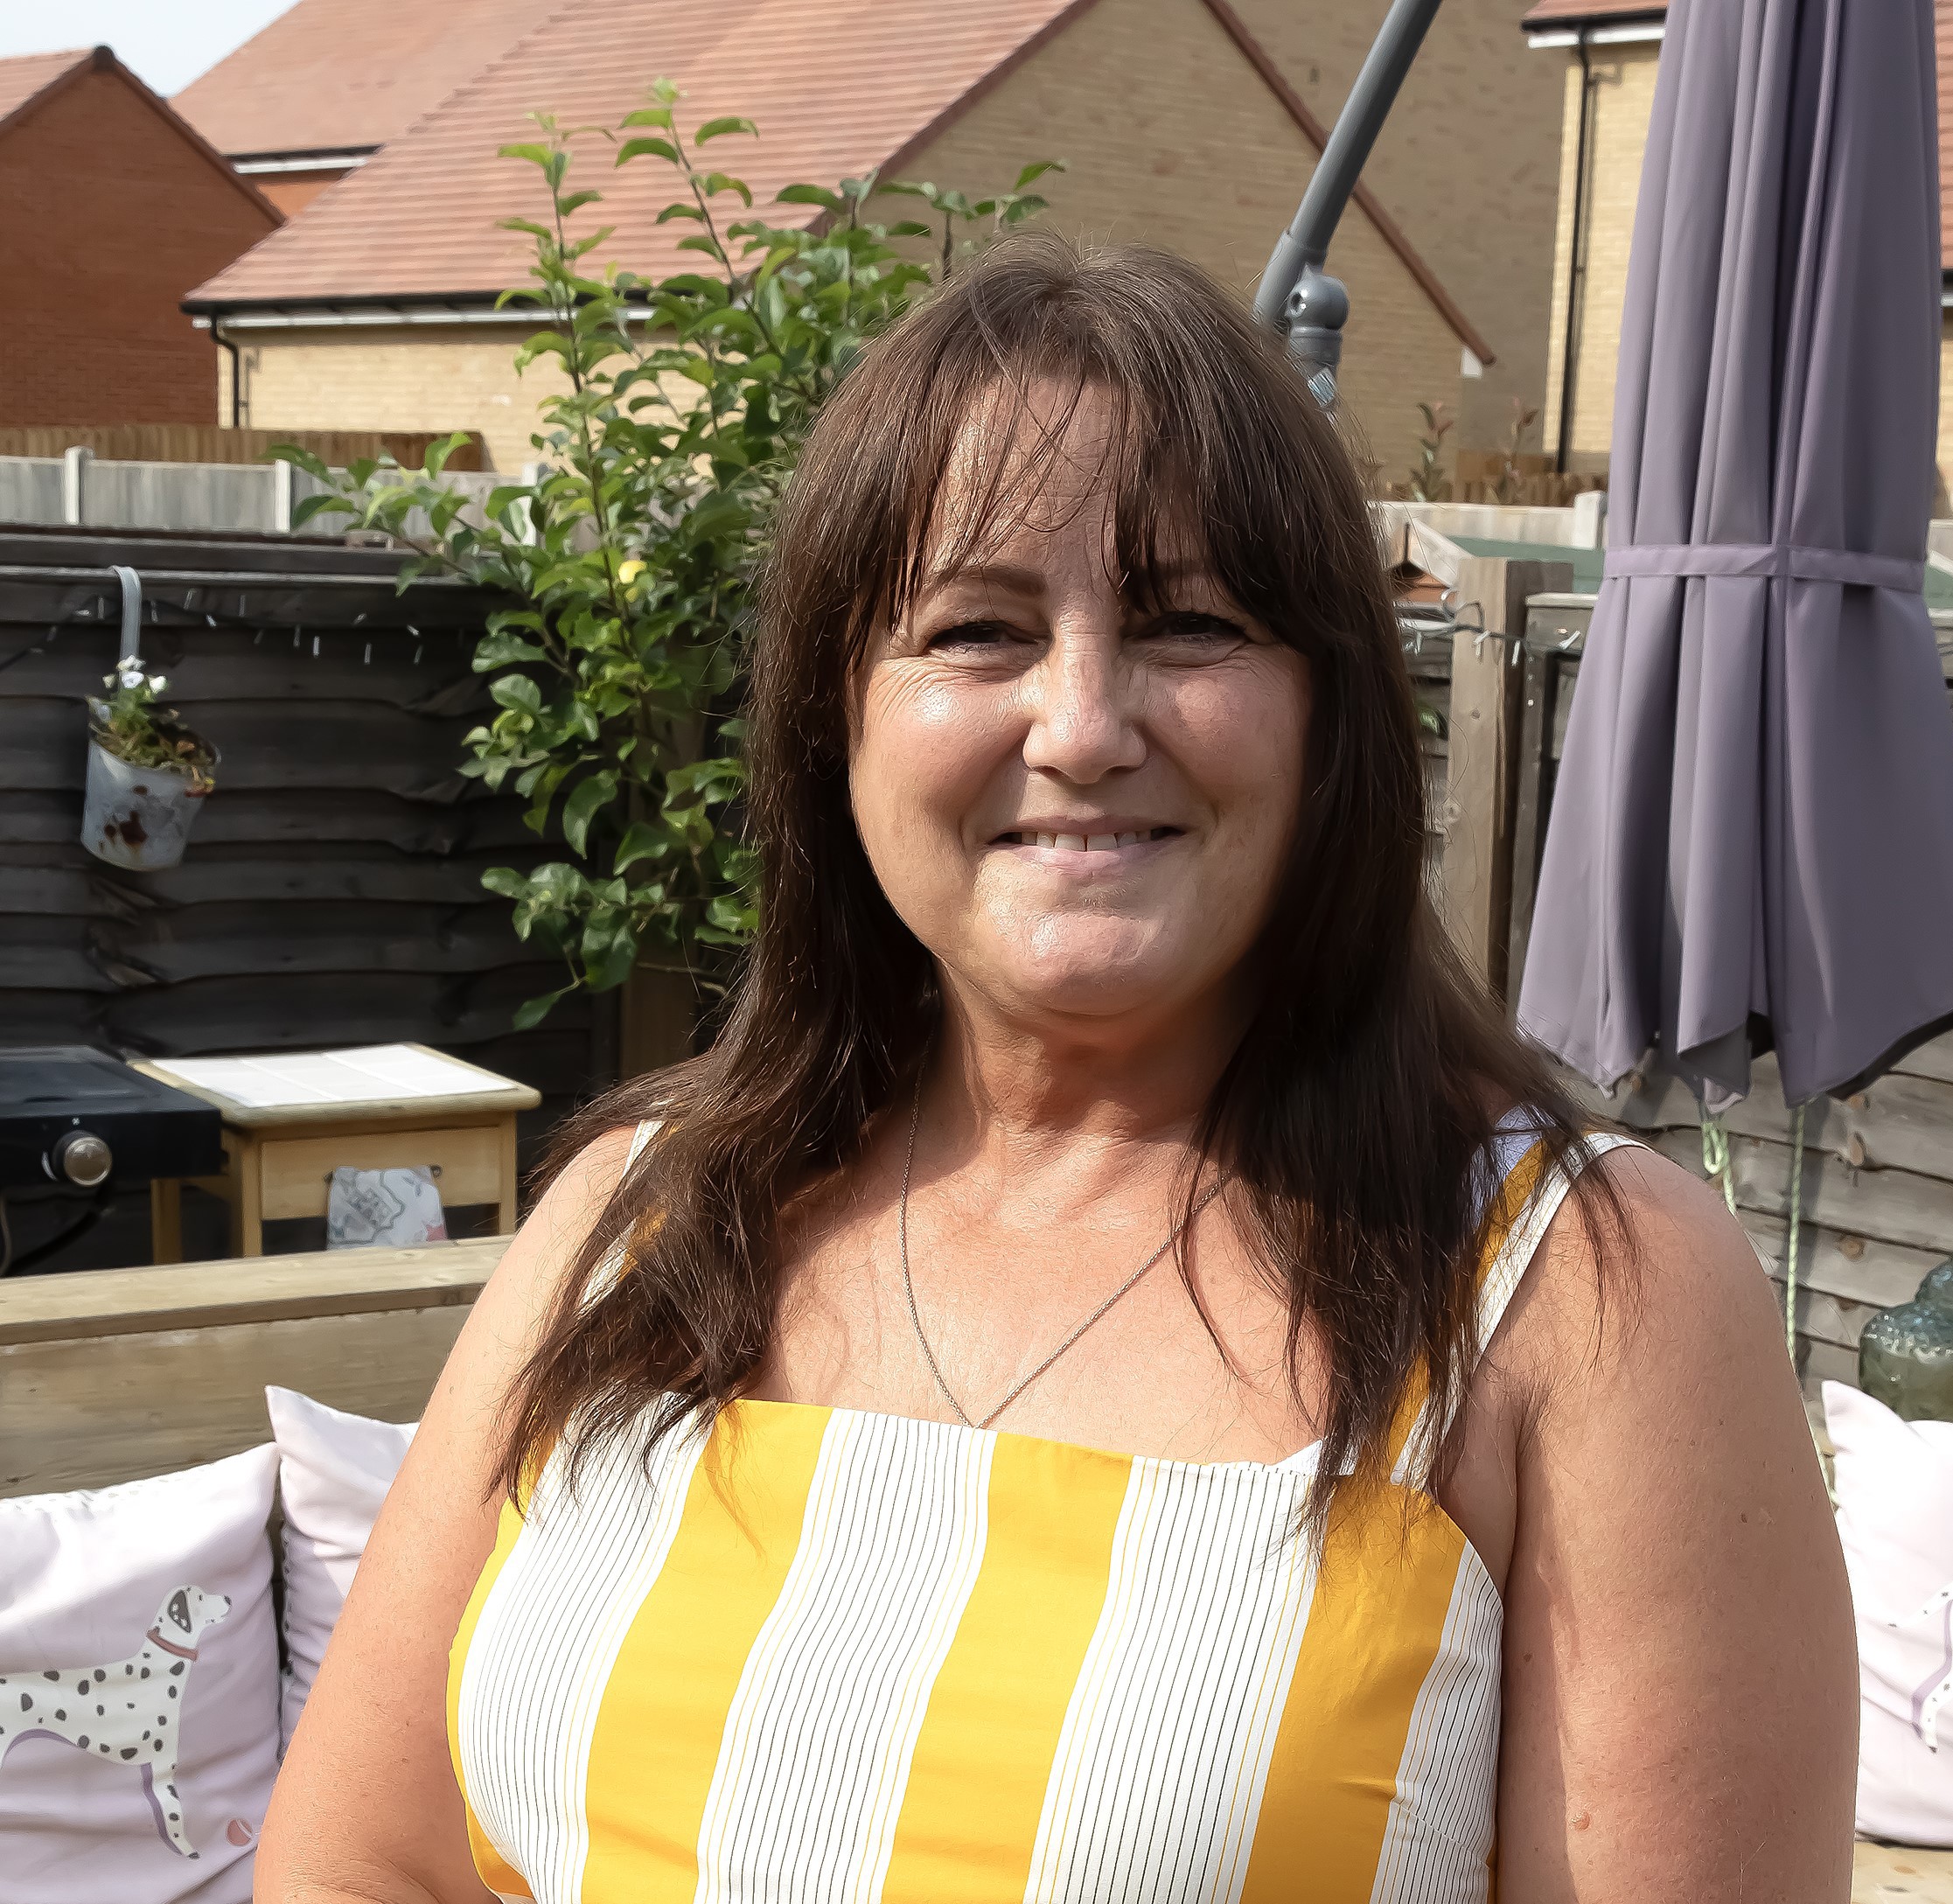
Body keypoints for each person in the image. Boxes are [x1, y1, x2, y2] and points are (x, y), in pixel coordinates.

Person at [259, 236, 1855, 1904]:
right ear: (836, 722)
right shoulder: (637, 1215)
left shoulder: (1582, 1292)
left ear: (1332, 724)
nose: (1083, 724)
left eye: (1188, 623)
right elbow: (367, 1863)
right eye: (977, 630)